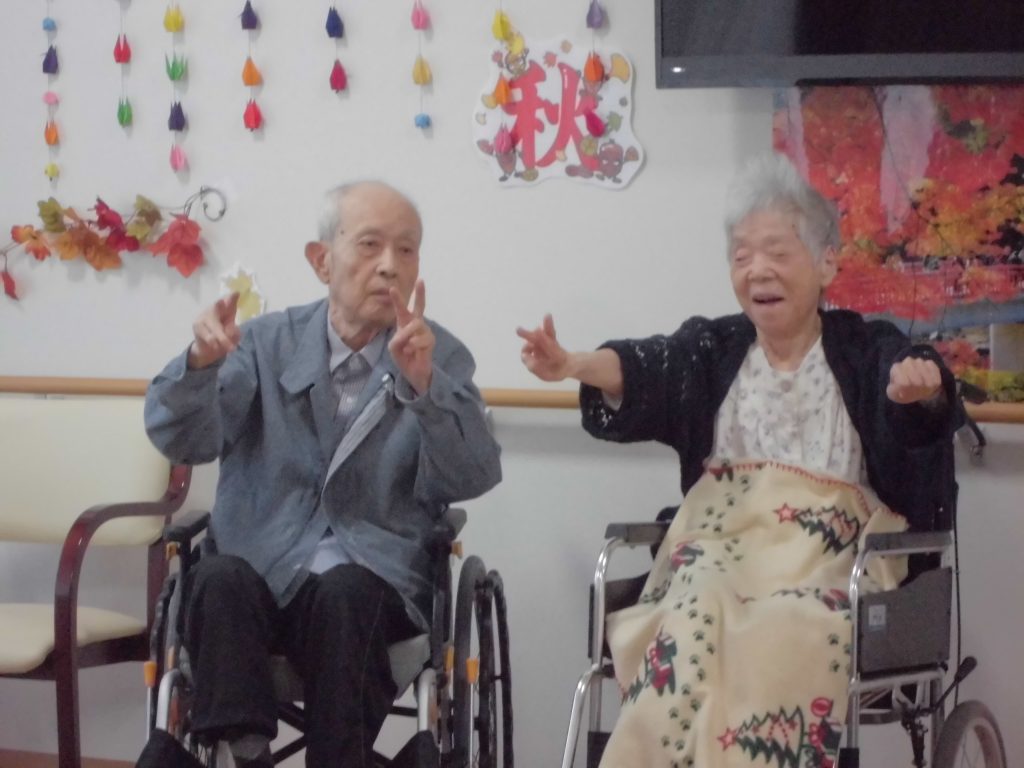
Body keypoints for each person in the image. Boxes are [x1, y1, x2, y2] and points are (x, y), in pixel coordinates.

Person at [518, 154, 962, 768]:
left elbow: (916, 404)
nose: (758, 271)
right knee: (688, 619)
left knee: (785, 629)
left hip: (827, 559)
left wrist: (922, 391)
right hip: (717, 549)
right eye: (741, 255)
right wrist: (573, 365)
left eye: (777, 252)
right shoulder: (714, 349)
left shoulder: (866, 349)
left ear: (827, 262)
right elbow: (646, 369)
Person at [144, 181, 502, 768]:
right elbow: (184, 439)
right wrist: (199, 367)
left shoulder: (439, 356)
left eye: (407, 250)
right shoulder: (263, 344)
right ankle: (246, 752)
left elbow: (474, 473)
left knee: (345, 591)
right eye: (370, 245)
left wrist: (427, 389)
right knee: (217, 577)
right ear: (322, 261)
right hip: (260, 575)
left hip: (371, 589)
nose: (390, 266)